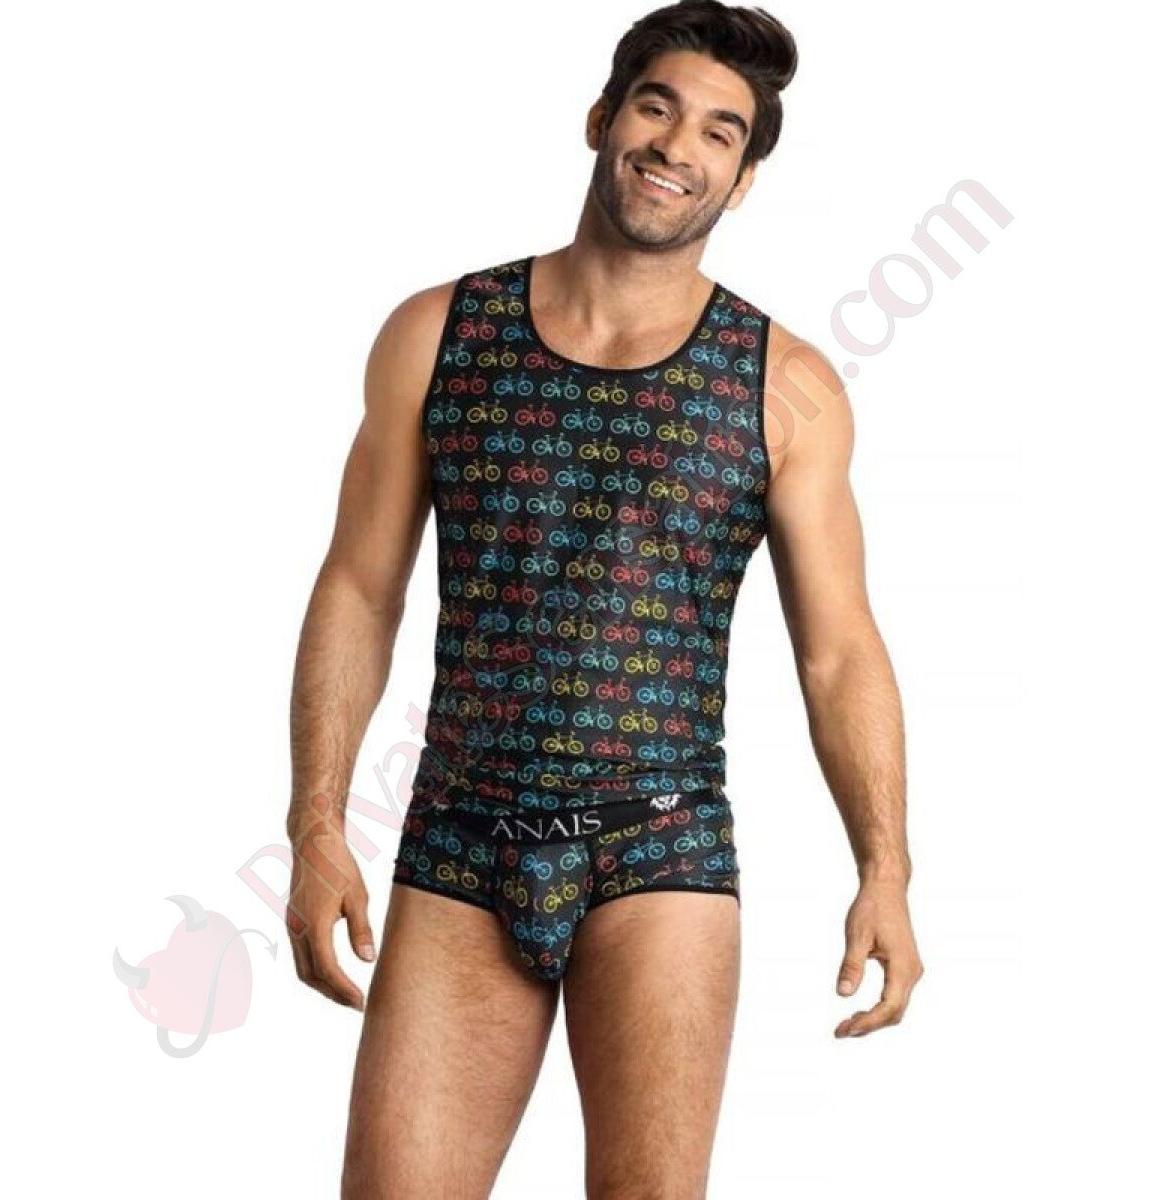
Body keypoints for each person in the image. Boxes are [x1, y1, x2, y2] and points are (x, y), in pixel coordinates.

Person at [285, 3, 925, 1195]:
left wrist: (885, 867)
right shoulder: (439, 334)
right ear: (602, 118)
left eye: (720, 133)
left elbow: (838, 650)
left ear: (742, 179)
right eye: (657, 107)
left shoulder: (784, 385)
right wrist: (315, 823)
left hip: (662, 849)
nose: (679, 146)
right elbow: (361, 589)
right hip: (460, 841)